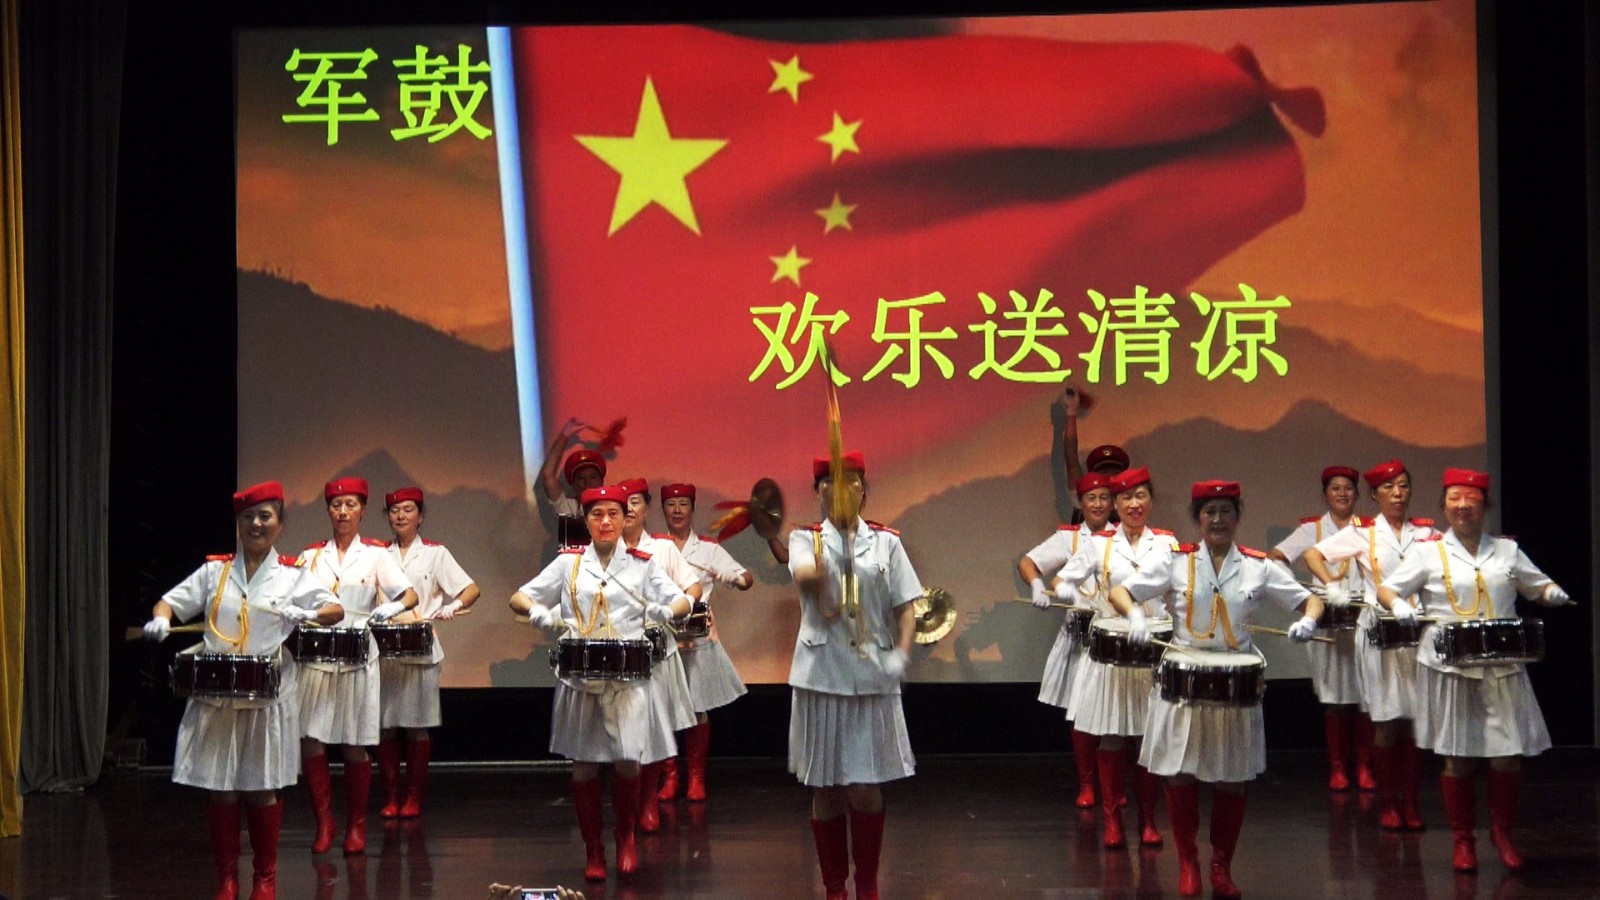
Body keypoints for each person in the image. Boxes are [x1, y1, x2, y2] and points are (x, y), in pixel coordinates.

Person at [1111, 480, 1323, 898]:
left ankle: (1221, 867)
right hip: (1184, 680)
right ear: (1198, 518)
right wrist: (1134, 615)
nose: (1218, 520)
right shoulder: (1176, 561)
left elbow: (1310, 600)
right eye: (1209, 512)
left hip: (1234, 685)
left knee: (1233, 777)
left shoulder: (1258, 566)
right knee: (1180, 772)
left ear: (1237, 516)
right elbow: (1121, 591)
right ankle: (1188, 861)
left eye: (1226, 511)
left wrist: (1309, 621)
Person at [143, 480, 343, 899]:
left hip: (266, 695)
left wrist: (303, 612)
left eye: (265, 516)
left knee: (261, 787)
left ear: (280, 524)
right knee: (222, 788)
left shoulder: (291, 575)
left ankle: (265, 878)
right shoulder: (215, 572)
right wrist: (161, 619)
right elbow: (170, 602)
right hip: (218, 694)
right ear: (238, 523)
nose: (256, 523)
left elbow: (335, 609)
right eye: (248, 516)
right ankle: (226, 879)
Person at [1377, 468, 1574, 873]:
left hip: (1502, 663)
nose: (1462, 506)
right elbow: (1388, 588)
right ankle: (1463, 840)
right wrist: (1397, 604)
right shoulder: (1428, 552)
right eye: (1454, 498)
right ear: (1444, 505)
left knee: (1508, 756)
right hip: (1452, 666)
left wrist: (1551, 593)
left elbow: (1537, 584)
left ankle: (1502, 834)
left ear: (1485, 504)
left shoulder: (1507, 551)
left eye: (1471, 498)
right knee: (1459, 757)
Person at [511, 484, 692, 882]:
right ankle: (594, 850)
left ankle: (625, 838)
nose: (605, 521)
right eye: (597, 514)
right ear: (586, 520)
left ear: (625, 518)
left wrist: (667, 610)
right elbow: (519, 598)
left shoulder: (642, 565)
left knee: (628, 759)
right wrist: (542, 615)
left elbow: (683, 601)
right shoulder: (569, 563)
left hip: (628, 678)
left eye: (613, 513)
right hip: (581, 678)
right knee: (584, 766)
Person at [789, 451, 919, 900]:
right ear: (818, 492)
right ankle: (834, 888)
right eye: (830, 483)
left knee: (865, 787)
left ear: (864, 490)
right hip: (821, 676)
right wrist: (827, 572)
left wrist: (902, 654)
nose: (842, 491)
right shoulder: (806, 540)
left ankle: (867, 884)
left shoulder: (886, 543)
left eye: (852, 482)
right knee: (826, 788)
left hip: (871, 676)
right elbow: (805, 578)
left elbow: (907, 608)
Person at [1052, 467, 1177, 849]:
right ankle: (1112, 821)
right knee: (1111, 737)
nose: (1134, 504)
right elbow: (1063, 579)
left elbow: (1180, 592)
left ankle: (1148, 820)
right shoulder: (1099, 544)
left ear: (1150, 500)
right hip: (1111, 653)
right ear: (1116, 505)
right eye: (1126, 498)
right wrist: (1061, 591)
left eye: (1140, 496)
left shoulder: (1167, 543)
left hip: (1152, 649)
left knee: (1147, 738)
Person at [1306, 459, 1434, 830]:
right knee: (1386, 718)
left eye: (1404, 486)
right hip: (1379, 632)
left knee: (1415, 721)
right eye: (1389, 488)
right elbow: (1314, 554)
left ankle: (1411, 802)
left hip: (1416, 630)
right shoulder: (1364, 533)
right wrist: (1331, 582)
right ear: (1375, 495)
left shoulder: (1426, 533)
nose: (1398, 493)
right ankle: (1388, 803)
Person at [297, 477, 419, 856]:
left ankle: (356, 825)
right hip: (318, 658)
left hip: (356, 656)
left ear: (363, 510)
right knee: (311, 739)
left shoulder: (376, 555)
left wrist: (393, 606)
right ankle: (324, 822)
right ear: (328, 510)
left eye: (351, 505)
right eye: (336, 505)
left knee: (354, 744)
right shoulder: (311, 556)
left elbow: (410, 593)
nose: (343, 512)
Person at [375, 486, 481, 819]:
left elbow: (471, 588)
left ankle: (413, 796)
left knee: (417, 725)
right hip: (383, 647)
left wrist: (453, 605)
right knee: (385, 726)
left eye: (408, 510)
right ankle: (392, 795)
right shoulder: (377, 554)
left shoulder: (436, 554)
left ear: (420, 517)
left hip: (420, 645)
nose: (401, 516)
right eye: (395, 511)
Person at [1269, 465, 1374, 792]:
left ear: (1356, 494)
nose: (1342, 493)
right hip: (1328, 620)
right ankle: (1338, 767)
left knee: (1366, 696)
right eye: (1335, 488)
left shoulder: (1368, 529)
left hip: (1363, 617)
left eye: (1348, 488)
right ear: (1325, 494)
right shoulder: (1311, 530)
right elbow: (1276, 557)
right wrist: (1299, 592)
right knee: (1336, 697)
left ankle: (1365, 766)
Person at [1018, 472, 1114, 810]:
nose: (1098, 504)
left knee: (1117, 713)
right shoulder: (1069, 538)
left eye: (1104, 497)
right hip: (1080, 635)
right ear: (1081, 503)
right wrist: (1036, 585)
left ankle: (1114, 785)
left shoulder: (1123, 537)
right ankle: (1087, 783)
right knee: (1080, 712)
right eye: (1091, 498)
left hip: (1115, 635)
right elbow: (1028, 562)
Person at [614, 478, 702, 833]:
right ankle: (629, 805)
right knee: (625, 734)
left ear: (647, 508)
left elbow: (692, 586)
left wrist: (683, 609)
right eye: (624, 504)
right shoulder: (605, 549)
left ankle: (648, 802)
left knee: (653, 730)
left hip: (656, 650)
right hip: (619, 653)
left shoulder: (663, 549)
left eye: (635, 502)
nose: (629, 510)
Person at [656, 482, 753, 804]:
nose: (677, 510)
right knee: (664, 708)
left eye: (683, 504)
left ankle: (696, 777)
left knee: (698, 707)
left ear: (692, 509)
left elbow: (746, 579)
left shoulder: (709, 550)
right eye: (671, 504)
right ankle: (670, 777)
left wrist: (734, 578)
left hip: (697, 638)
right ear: (663, 509)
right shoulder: (655, 547)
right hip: (665, 638)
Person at [538, 420, 609, 549]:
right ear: (573, 484)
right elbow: (548, 475)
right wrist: (564, 436)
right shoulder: (568, 509)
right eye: (581, 478)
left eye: (593, 477)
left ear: (601, 482)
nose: (587, 482)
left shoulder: (613, 512)